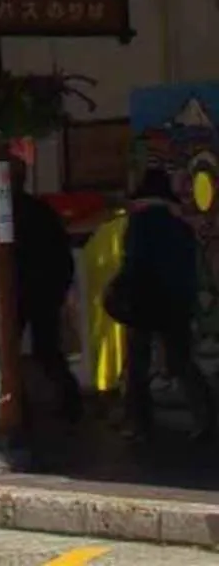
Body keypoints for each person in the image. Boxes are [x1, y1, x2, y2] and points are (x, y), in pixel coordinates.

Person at [116, 168, 215, 442]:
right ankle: (205, 416)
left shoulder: (140, 222)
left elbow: (134, 263)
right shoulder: (180, 223)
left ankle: (139, 423)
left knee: (138, 362)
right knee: (182, 361)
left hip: (144, 300)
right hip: (177, 301)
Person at [10, 155, 85, 421]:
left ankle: (18, 406)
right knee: (47, 349)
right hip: (41, 290)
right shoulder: (40, 211)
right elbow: (60, 253)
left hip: (20, 290)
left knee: (11, 351)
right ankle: (68, 400)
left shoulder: (8, 214)